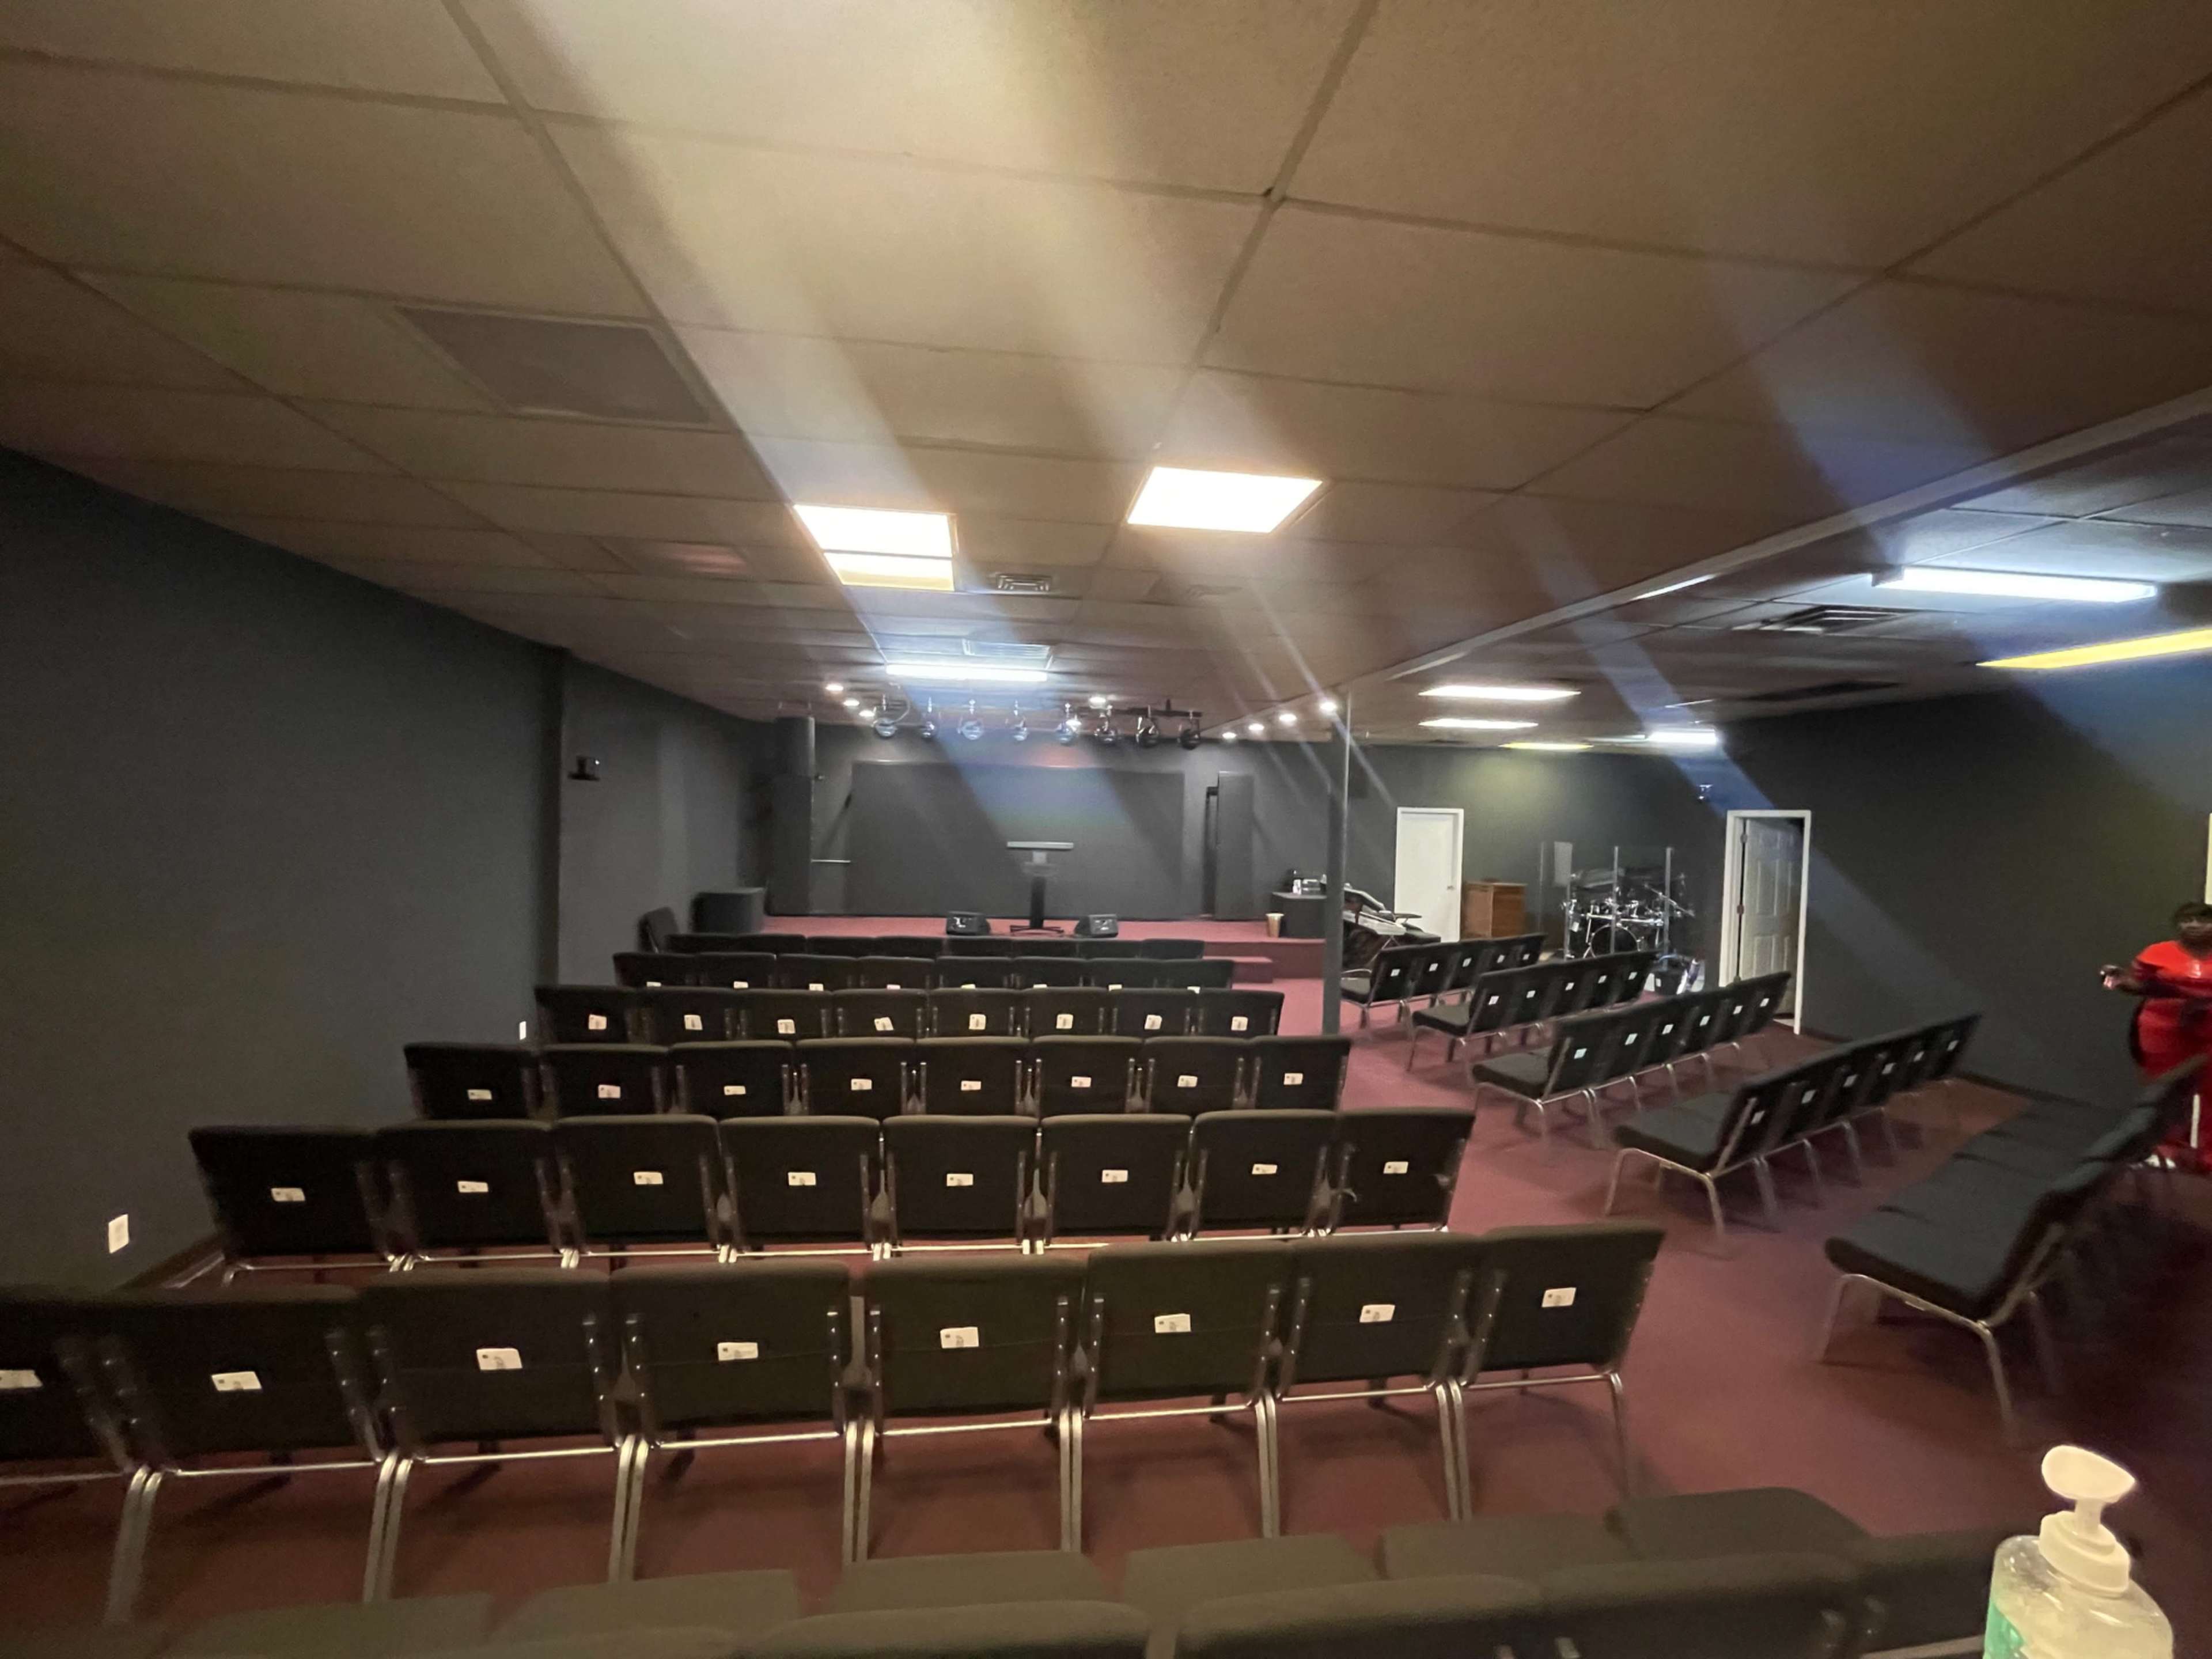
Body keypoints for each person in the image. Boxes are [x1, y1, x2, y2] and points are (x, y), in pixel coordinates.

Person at [2101, 900, 2212, 1172]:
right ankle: (2168, 1151)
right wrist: (2114, 979)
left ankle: (2209, 1158)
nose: (2195, 925)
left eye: (2203, 920)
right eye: (2187, 920)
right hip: (2163, 1030)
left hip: (2209, 1032)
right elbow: (2134, 983)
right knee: (2166, 1092)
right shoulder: (2158, 952)